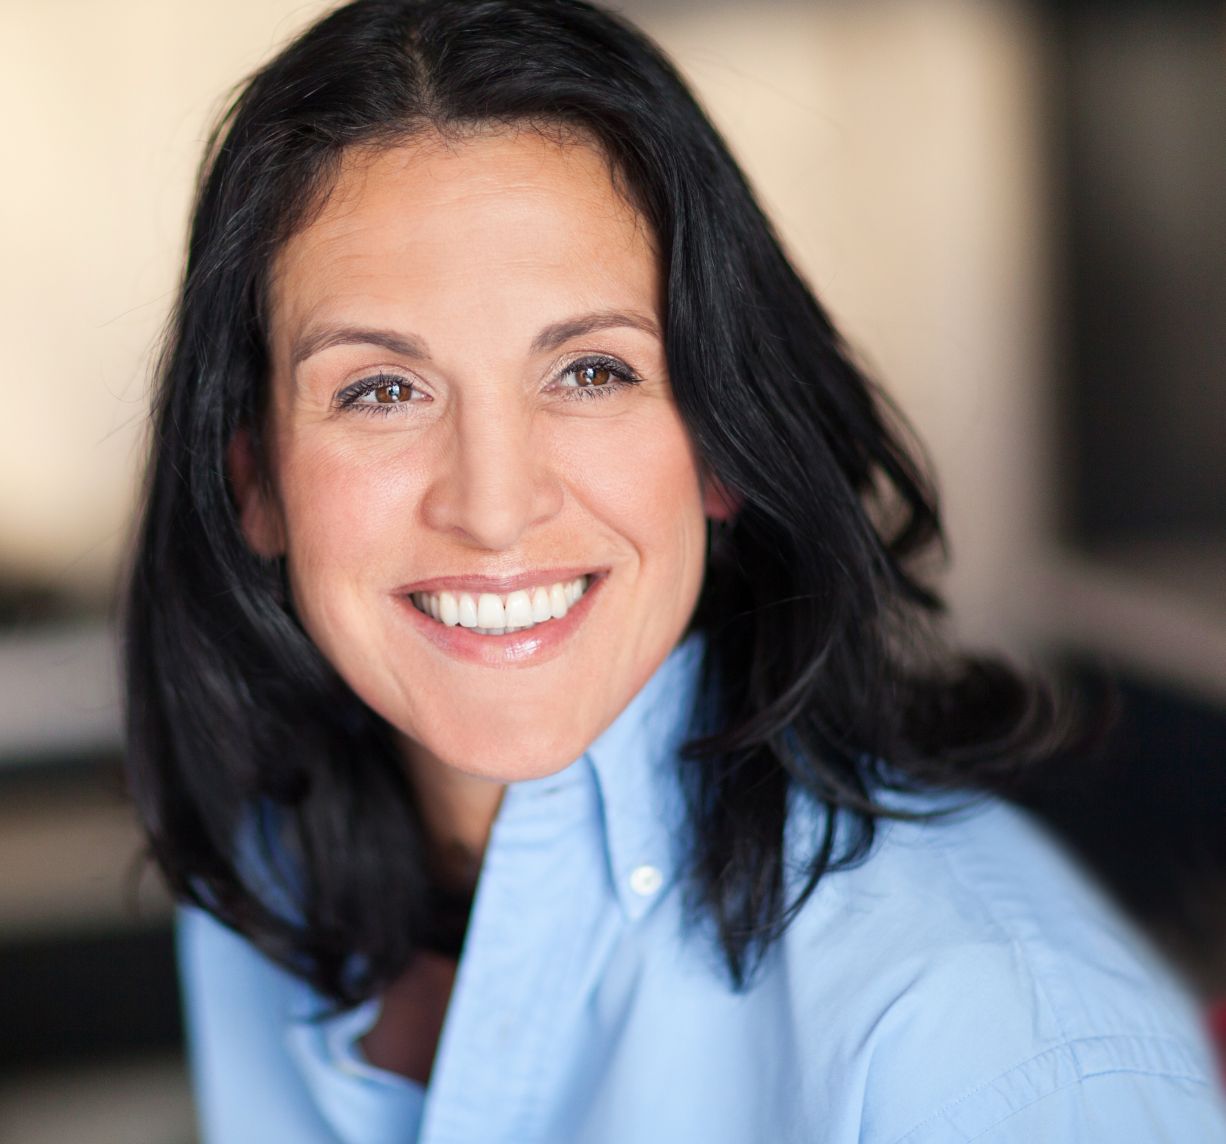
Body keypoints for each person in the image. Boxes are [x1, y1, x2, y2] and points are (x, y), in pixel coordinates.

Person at [122, 1, 1226, 1140]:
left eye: (591, 372)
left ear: (722, 443)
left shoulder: (986, 1041)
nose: (494, 509)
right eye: (381, 390)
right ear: (254, 480)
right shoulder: (259, 892)